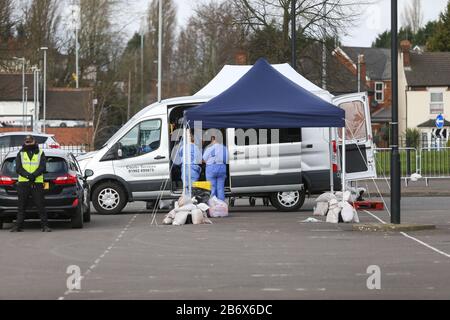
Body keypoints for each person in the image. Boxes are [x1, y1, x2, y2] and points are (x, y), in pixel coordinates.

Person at [11, 135, 51, 232]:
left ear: (34, 141)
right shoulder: (20, 153)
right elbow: (18, 168)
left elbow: (42, 167)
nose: (28, 143)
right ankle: (18, 226)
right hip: (23, 183)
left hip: (37, 183)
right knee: (21, 206)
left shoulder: (41, 153)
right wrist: (29, 176)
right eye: (27, 141)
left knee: (40, 205)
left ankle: (45, 226)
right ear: (24, 142)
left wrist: (34, 175)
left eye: (30, 141)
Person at [203, 136, 228, 201]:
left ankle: (213, 206)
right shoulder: (224, 148)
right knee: (220, 188)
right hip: (222, 168)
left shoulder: (209, 148)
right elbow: (226, 160)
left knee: (212, 189)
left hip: (211, 169)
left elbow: (204, 159)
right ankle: (221, 206)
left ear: (213, 139)